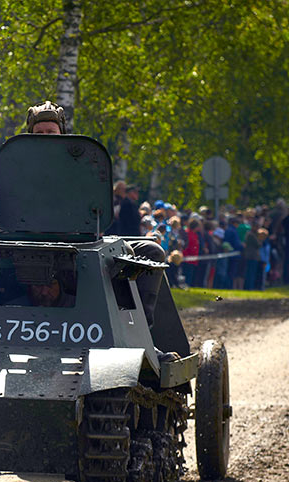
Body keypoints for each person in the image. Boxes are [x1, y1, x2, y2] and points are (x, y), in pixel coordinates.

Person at [26, 100, 177, 361]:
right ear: (29, 136)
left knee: (150, 251)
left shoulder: (83, 166)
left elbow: (97, 212)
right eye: (39, 133)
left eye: (51, 132)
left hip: (83, 241)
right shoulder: (17, 167)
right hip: (29, 245)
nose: (45, 138)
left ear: (62, 134)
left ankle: (144, 342)